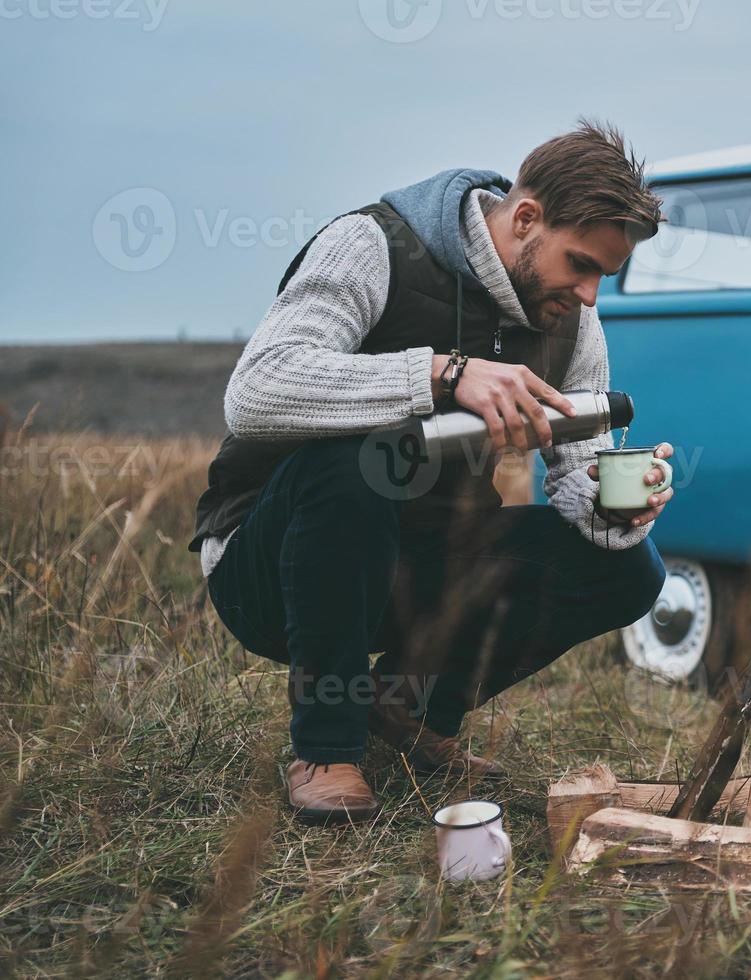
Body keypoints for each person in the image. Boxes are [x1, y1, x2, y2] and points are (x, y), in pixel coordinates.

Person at [191, 121, 672, 824]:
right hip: (271, 563)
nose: (591, 293)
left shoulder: (569, 321)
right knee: (356, 462)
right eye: (581, 265)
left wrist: (614, 509)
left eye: (604, 274)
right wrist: (443, 375)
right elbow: (257, 390)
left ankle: (407, 707)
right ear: (527, 218)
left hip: (415, 560)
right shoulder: (375, 245)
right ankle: (327, 749)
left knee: (632, 570)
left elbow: (576, 475)